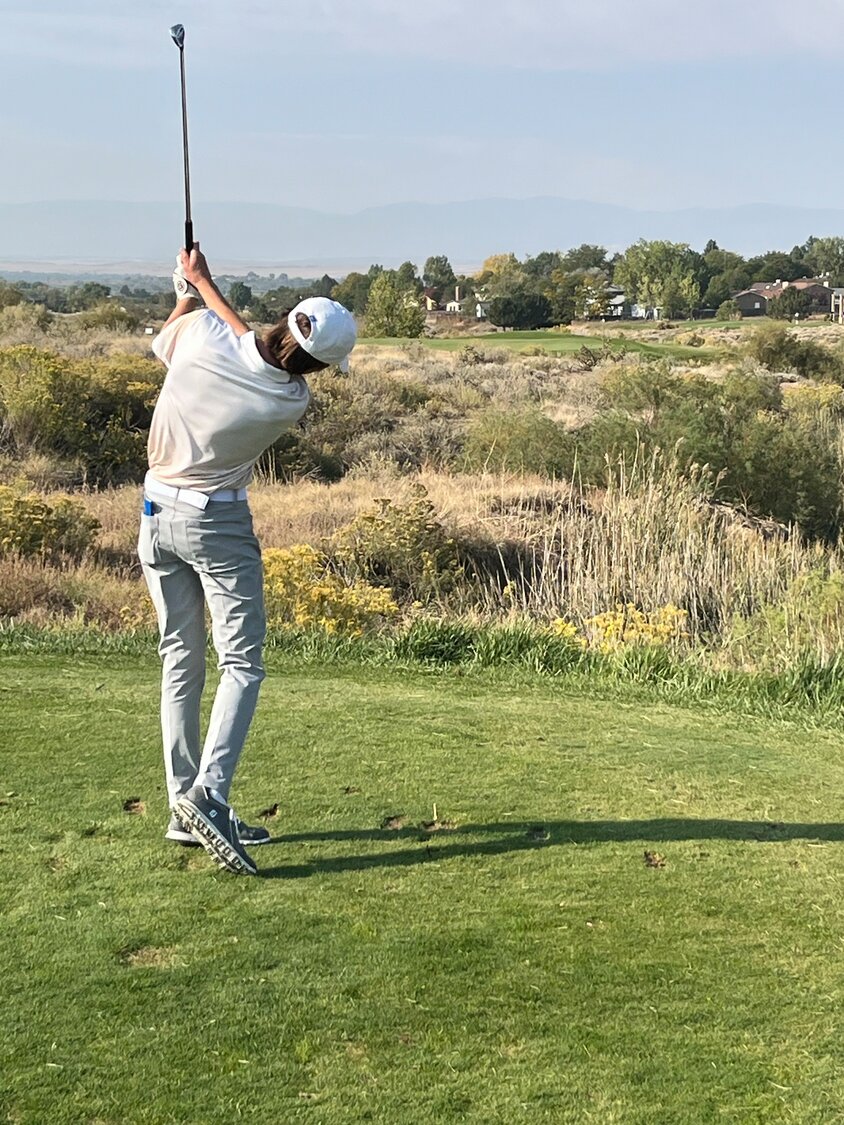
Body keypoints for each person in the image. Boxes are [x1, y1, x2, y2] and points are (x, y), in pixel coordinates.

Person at [138, 245, 356, 875]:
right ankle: (208, 795)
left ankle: (185, 804)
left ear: (289, 319)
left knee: (180, 655)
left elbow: (191, 339)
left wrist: (192, 286)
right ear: (320, 364)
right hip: (217, 522)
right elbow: (248, 350)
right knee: (242, 662)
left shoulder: (203, 336)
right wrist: (202, 287)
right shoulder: (291, 402)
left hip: (154, 512)